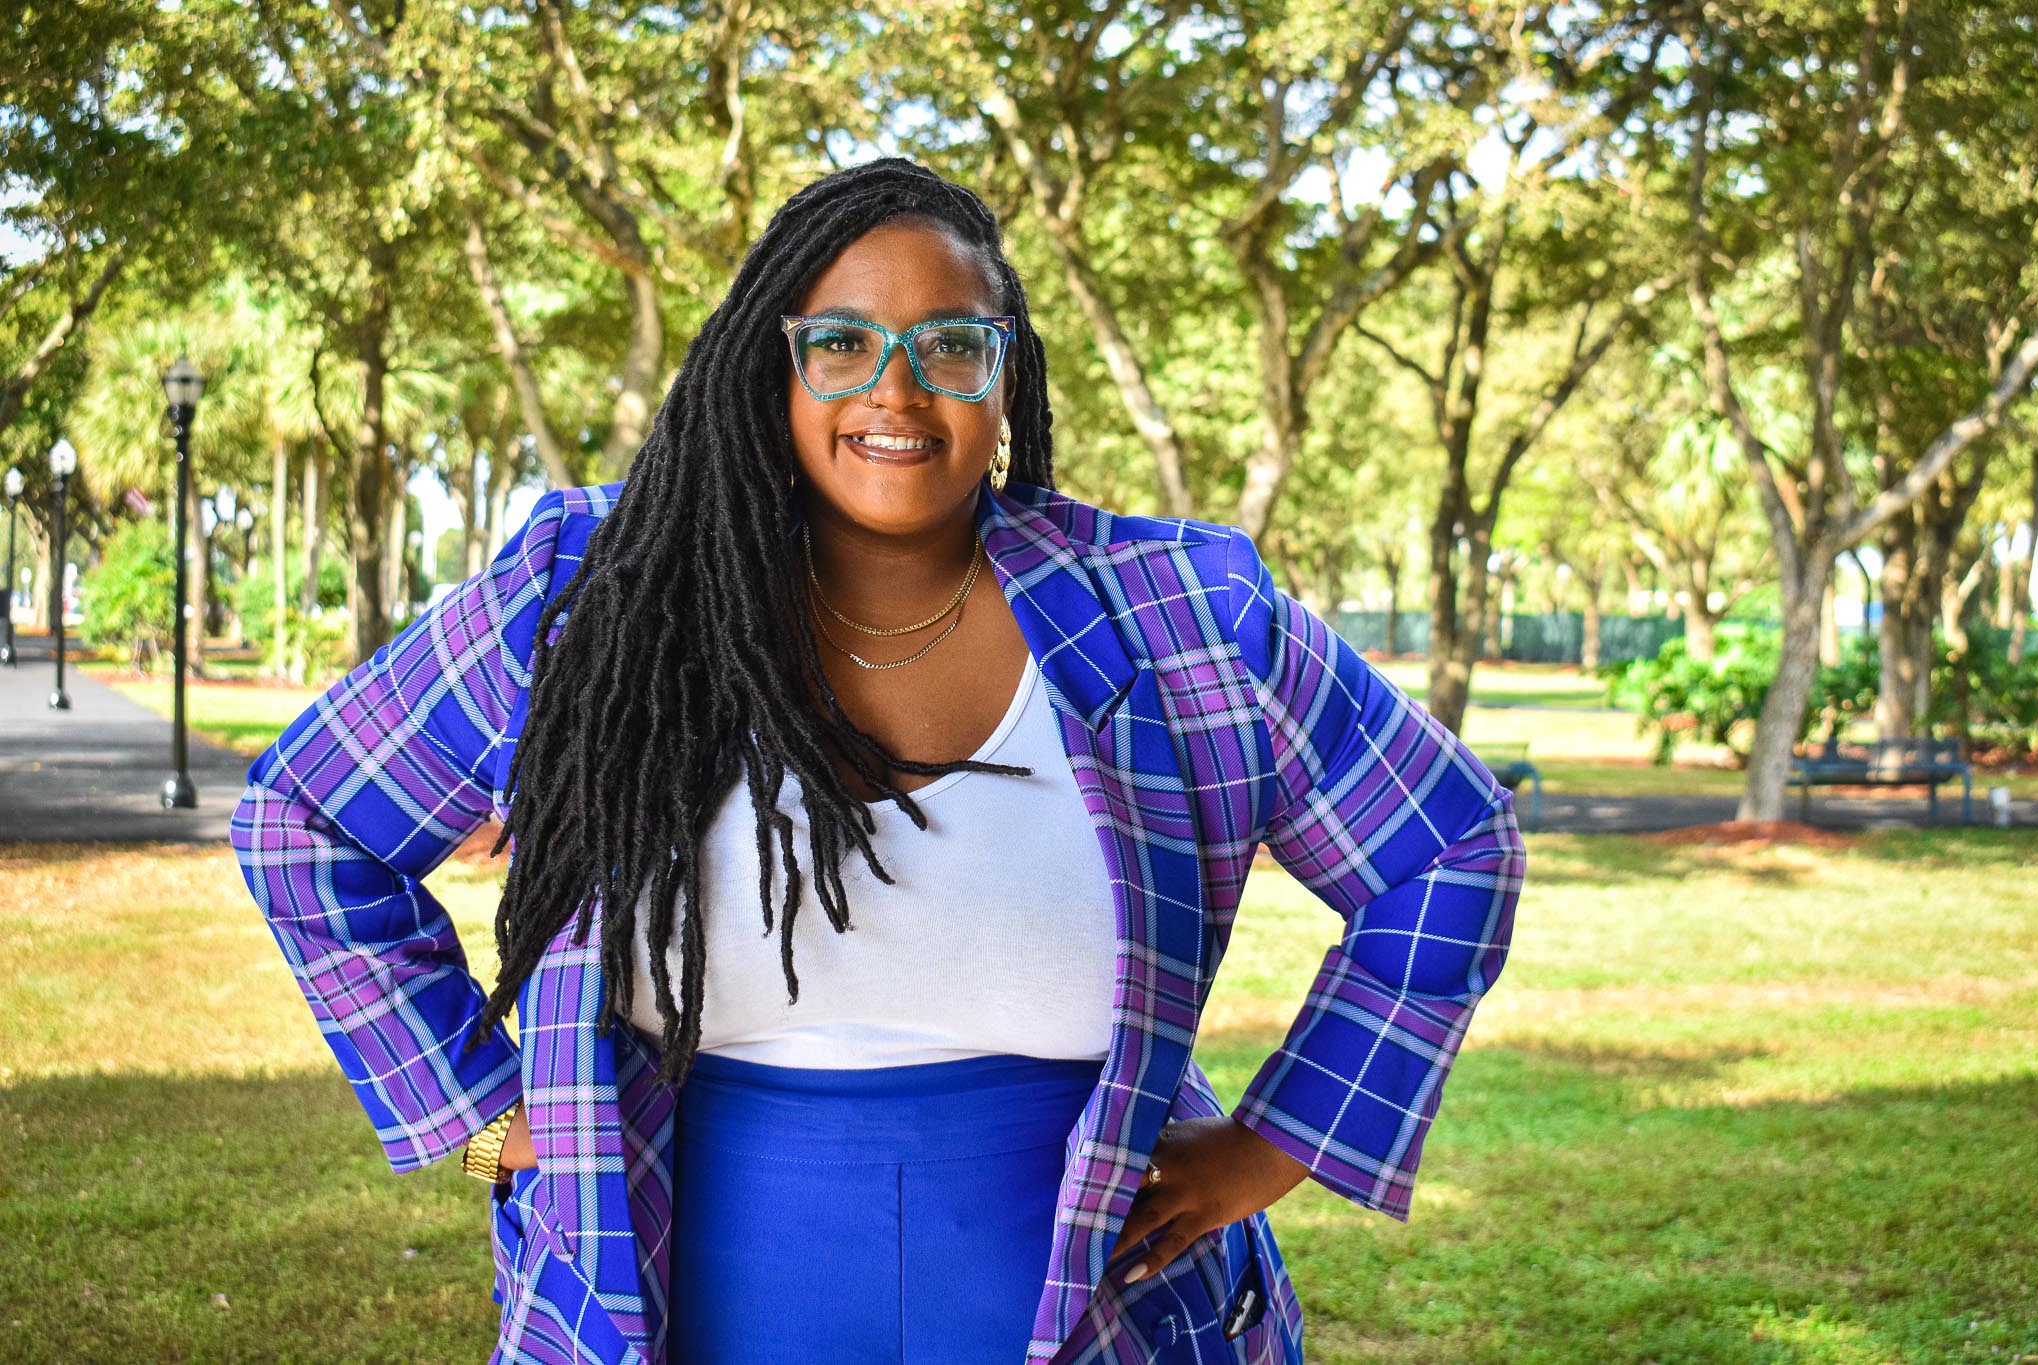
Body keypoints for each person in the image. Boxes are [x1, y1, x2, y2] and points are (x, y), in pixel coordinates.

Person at [232, 158, 1526, 1365]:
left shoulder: (1179, 615)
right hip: (667, 1303)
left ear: (1006, 374)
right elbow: (306, 816)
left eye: (950, 345)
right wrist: (472, 1112)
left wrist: (1275, 1147)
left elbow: (1450, 846)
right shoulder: (596, 596)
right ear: (772, 367)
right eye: (842, 343)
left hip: (1108, 1316)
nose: (896, 391)